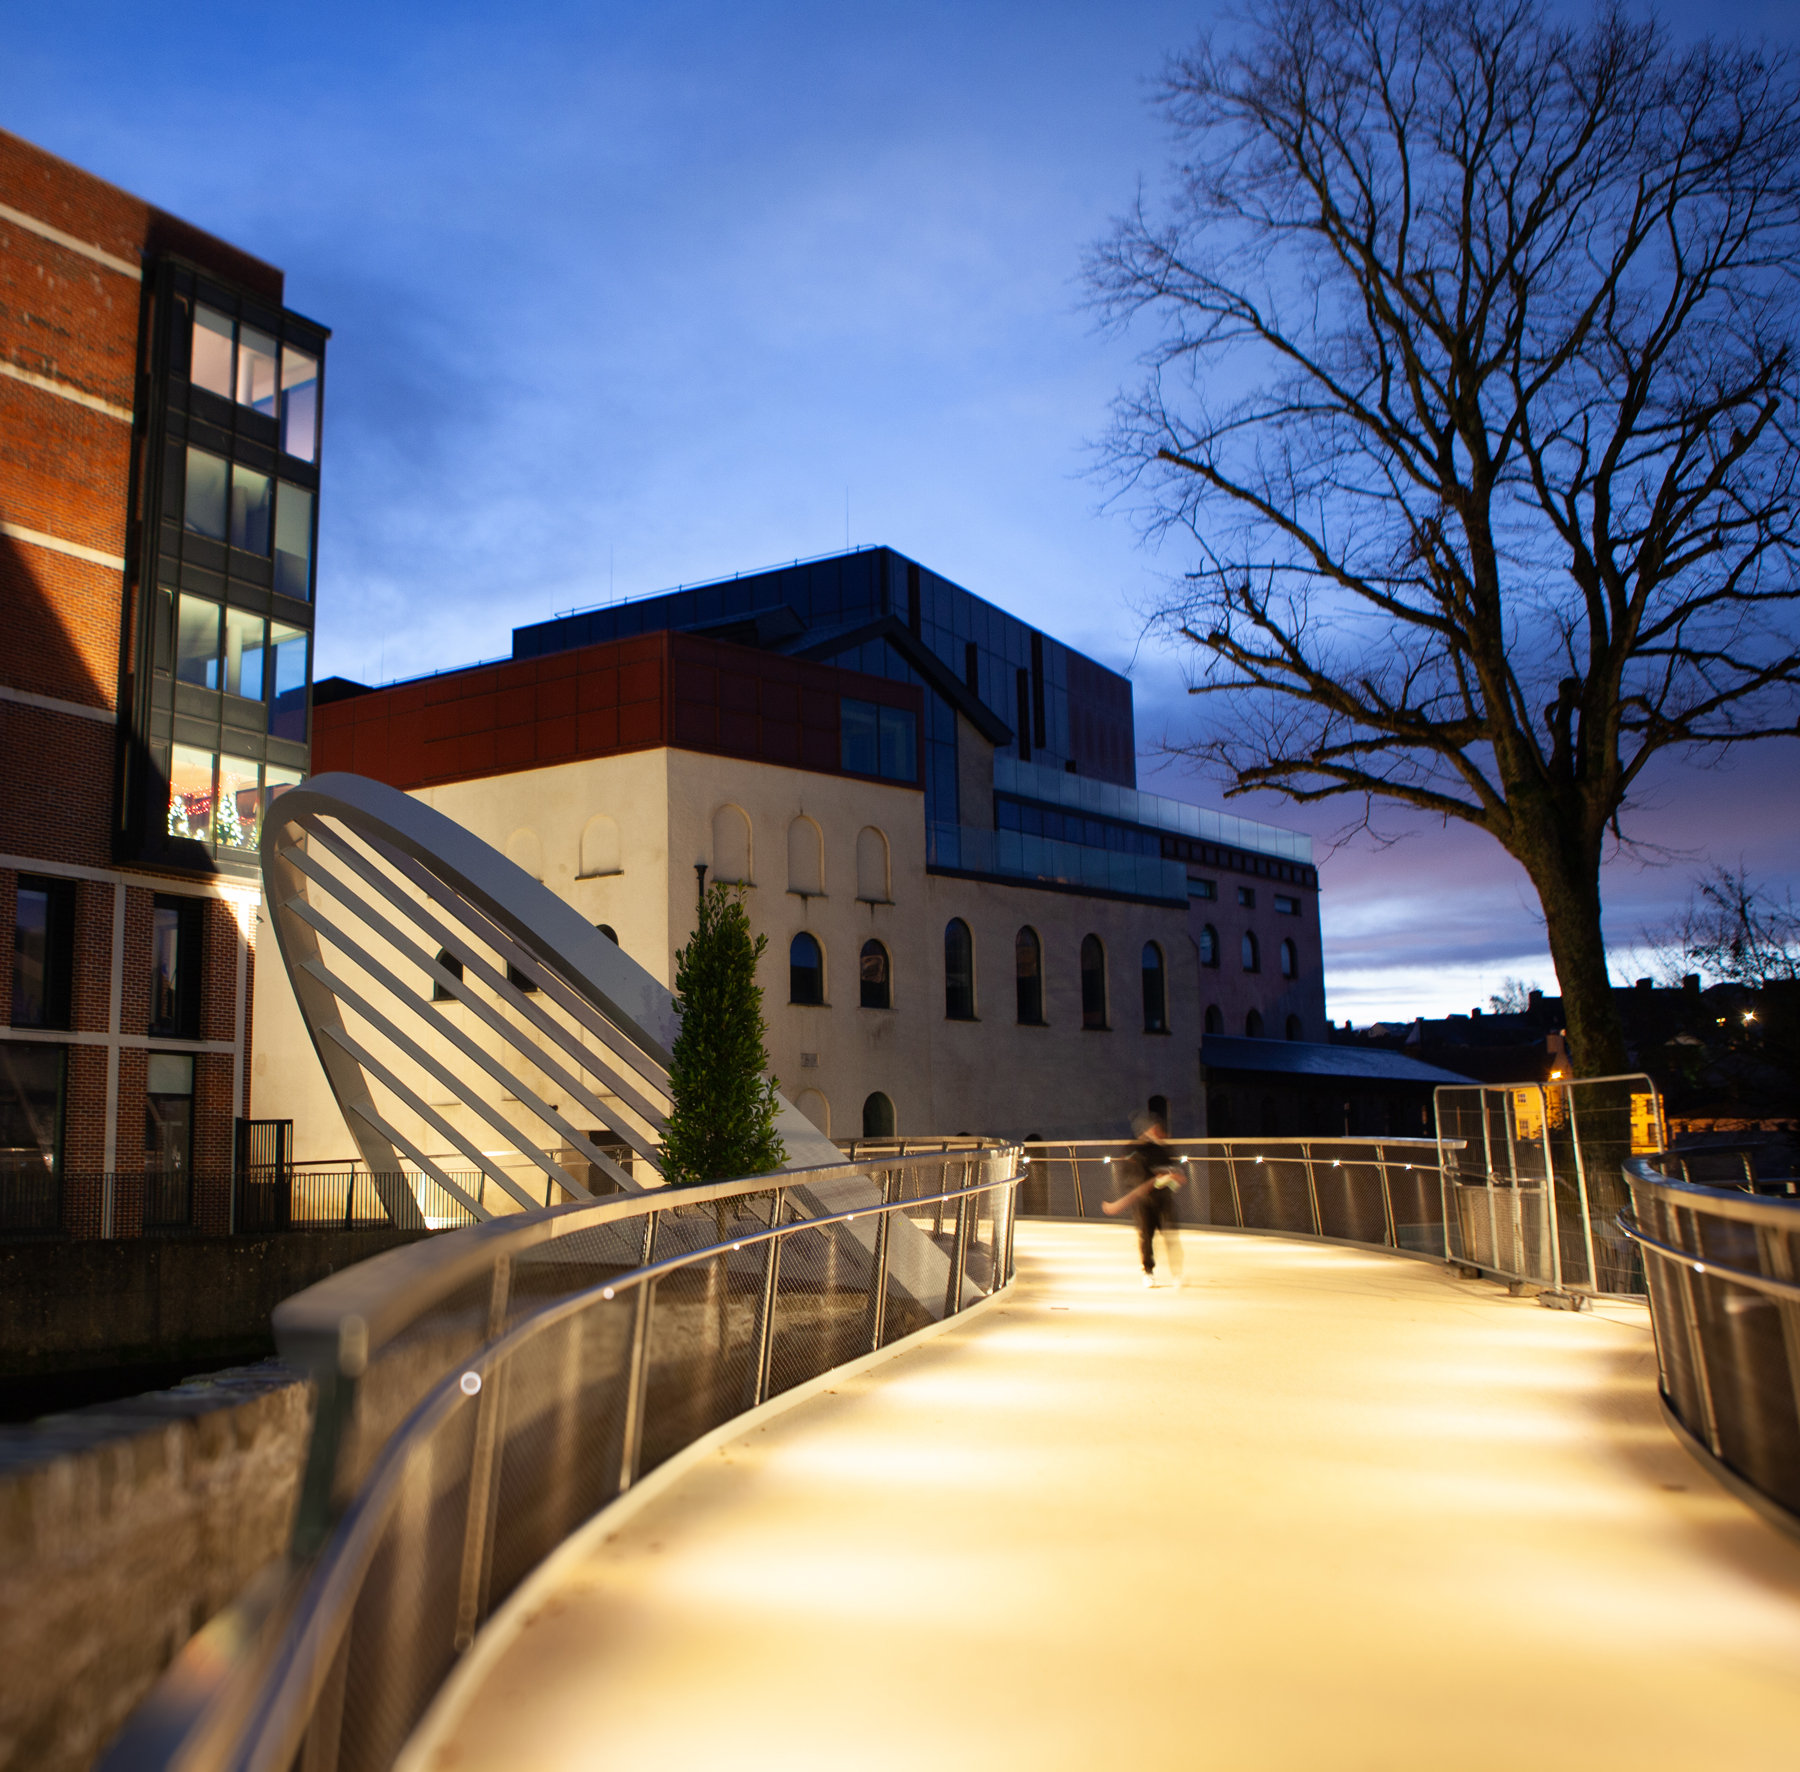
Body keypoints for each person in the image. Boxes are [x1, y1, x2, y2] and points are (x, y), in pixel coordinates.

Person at [1102, 1114, 1185, 1287]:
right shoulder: (1134, 1150)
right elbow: (1132, 1177)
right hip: (1144, 1201)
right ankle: (1148, 1272)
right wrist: (1154, 1178)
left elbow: (1174, 1172)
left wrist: (1173, 1178)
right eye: (1156, 1129)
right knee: (1146, 1236)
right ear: (1146, 1130)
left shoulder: (1163, 1150)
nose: (1160, 1133)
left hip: (1164, 1199)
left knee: (1170, 1234)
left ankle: (1177, 1273)